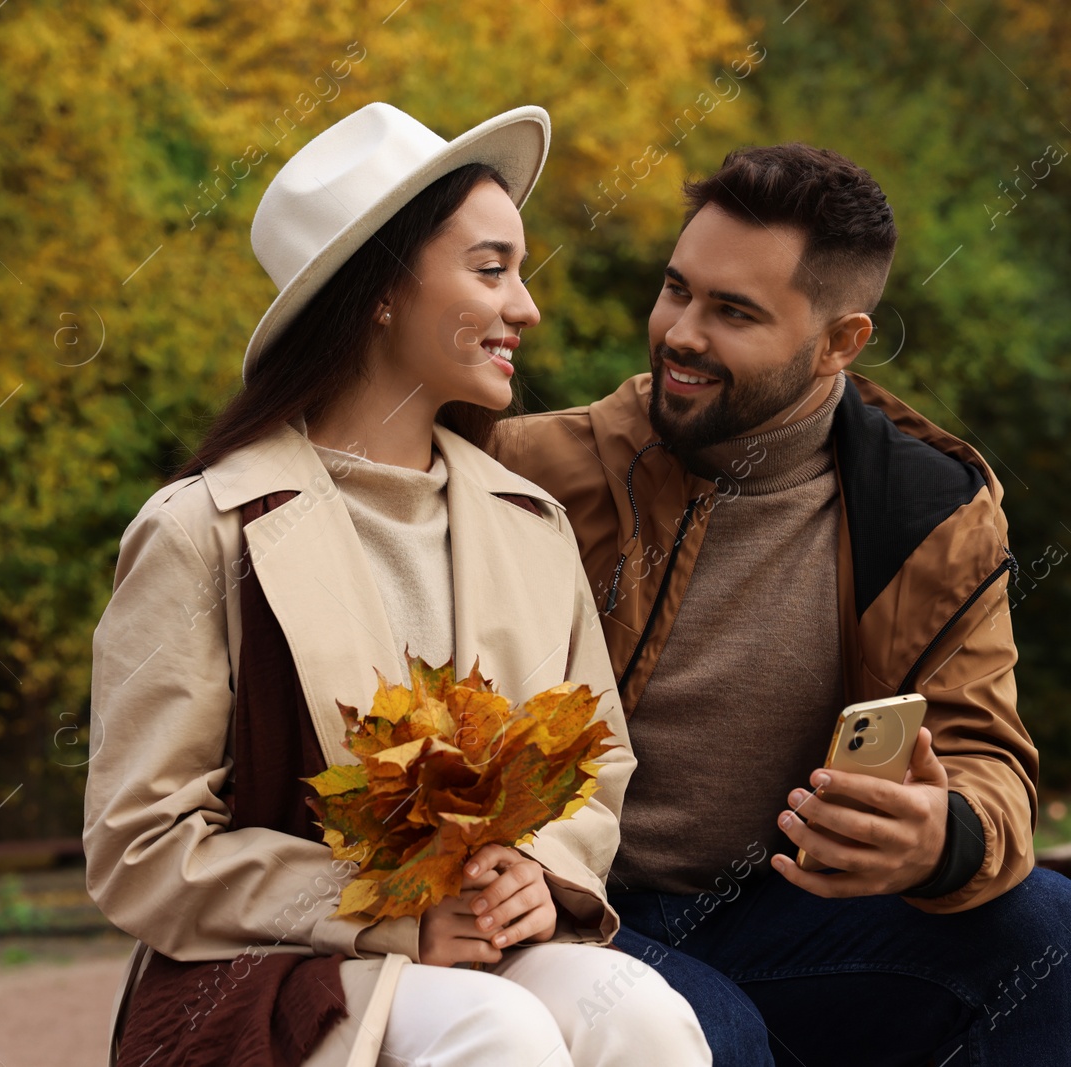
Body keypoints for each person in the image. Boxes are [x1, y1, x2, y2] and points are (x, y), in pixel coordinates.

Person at [83, 102, 711, 1067]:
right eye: (491, 269)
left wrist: (535, 872)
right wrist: (386, 916)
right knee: (493, 1032)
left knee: (648, 1017)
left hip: (490, 942)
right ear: (380, 289)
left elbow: (599, 768)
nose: (526, 307)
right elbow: (141, 845)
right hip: (283, 970)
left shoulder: (528, 522)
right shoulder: (202, 531)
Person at [491, 142, 1071, 1066]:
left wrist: (942, 836)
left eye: (734, 312)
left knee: (1050, 933)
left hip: (778, 911)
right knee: (716, 1032)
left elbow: (984, 748)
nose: (681, 330)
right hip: (566, 904)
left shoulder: (931, 511)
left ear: (841, 341)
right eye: (677, 289)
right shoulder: (529, 469)